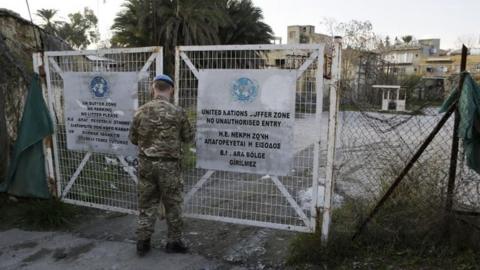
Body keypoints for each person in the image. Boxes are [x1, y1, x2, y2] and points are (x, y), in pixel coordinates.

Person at [129, 74, 194, 257]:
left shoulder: (140, 111)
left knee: (147, 202)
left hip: (146, 164)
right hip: (169, 166)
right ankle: (174, 242)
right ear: (171, 90)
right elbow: (188, 138)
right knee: (173, 204)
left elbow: (133, 139)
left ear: (153, 88)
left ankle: (143, 241)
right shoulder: (178, 112)